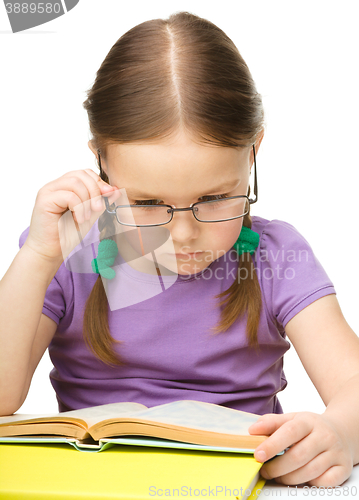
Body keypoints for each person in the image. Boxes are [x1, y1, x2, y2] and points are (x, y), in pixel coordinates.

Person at [0, 11, 358, 489]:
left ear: (253, 152)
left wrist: (340, 431)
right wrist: (38, 257)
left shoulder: (273, 256)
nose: (185, 235)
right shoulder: (66, 253)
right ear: (100, 163)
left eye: (214, 198)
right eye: (147, 202)